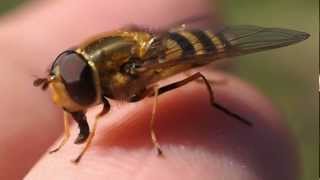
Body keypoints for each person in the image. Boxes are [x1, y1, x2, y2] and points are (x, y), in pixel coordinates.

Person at [0, 0, 299, 179]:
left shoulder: (130, 73)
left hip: (173, 51)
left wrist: (153, 135)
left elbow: (151, 93)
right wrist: (67, 138)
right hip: (152, 44)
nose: (61, 91)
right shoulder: (89, 72)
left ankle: (214, 97)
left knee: (188, 79)